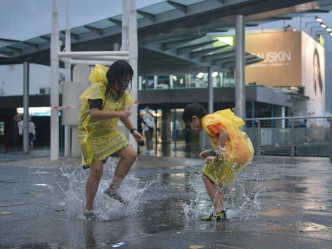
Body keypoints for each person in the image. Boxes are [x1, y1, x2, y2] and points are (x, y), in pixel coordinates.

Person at [78, 61, 143, 221]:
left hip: (109, 132)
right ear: (113, 77)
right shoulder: (98, 89)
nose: (124, 85)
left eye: (127, 81)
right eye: (122, 81)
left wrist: (134, 131)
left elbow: (123, 114)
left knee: (131, 154)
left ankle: (112, 190)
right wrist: (119, 114)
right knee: (97, 170)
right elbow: (94, 113)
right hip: (90, 133)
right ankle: (88, 210)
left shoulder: (122, 94)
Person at [183, 103, 254, 221]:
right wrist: (211, 152)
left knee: (206, 176)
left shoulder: (207, 122)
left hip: (233, 153)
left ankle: (218, 211)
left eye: (191, 124)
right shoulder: (212, 119)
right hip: (240, 151)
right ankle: (221, 210)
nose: (193, 127)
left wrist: (215, 153)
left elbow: (224, 133)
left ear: (194, 118)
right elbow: (228, 140)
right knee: (215, 178)